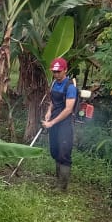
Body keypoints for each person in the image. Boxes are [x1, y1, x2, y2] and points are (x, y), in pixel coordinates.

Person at [42, 57, 77, 191]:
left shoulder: (70, 87)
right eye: (54, 72)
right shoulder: (54, 84)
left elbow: (68, 109)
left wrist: (52, 123)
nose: (56, 74)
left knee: (64, 153)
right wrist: (48, 113)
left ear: (65, 70)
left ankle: (62, 186)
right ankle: (58, 182)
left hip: (64, 123)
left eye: (58, 72)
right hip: (54, 121)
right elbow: (53, 101)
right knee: (55, 151)